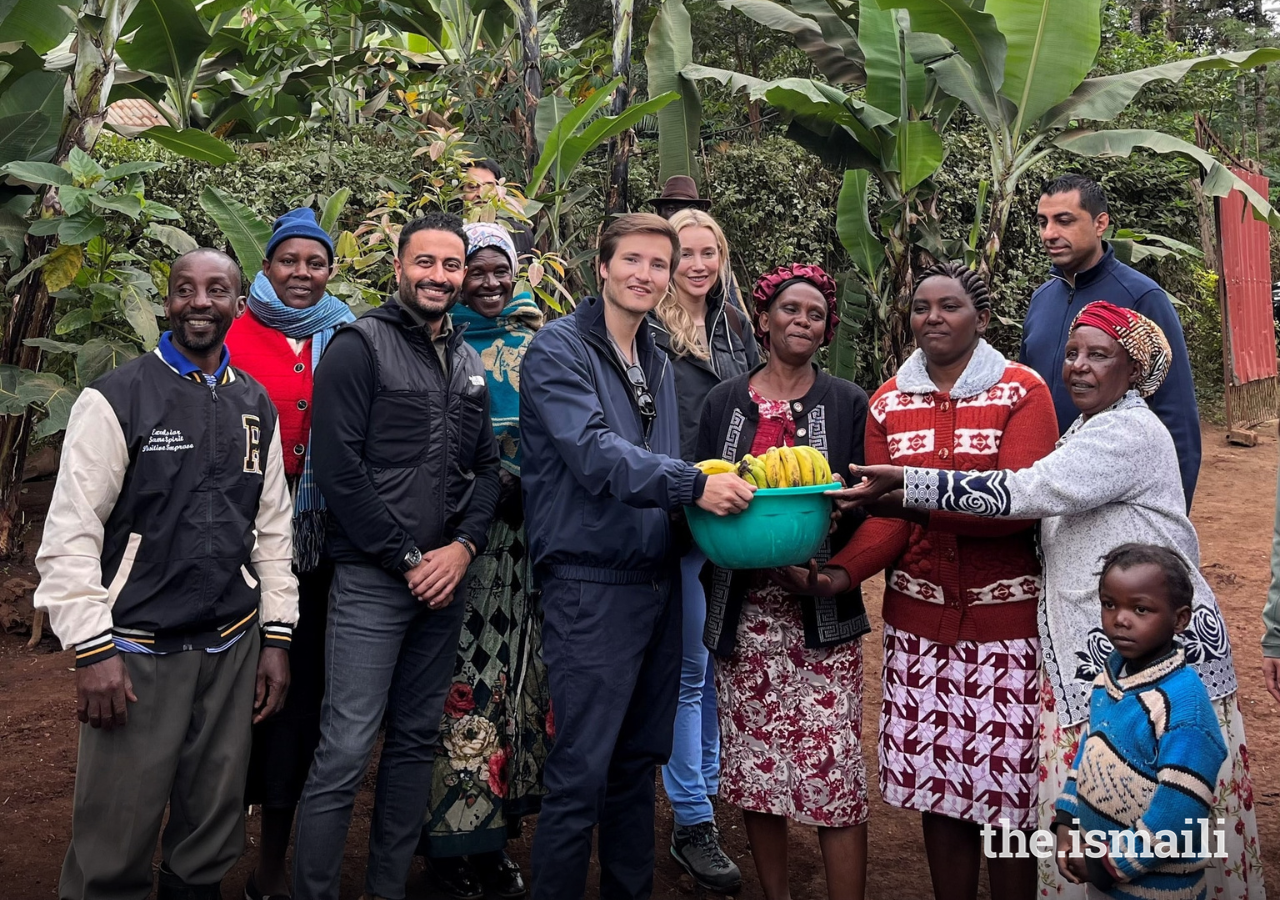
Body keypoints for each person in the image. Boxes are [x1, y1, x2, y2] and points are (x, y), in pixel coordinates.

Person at [840, 301, 1261, 899]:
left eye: (1100, 355)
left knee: (1162, 817)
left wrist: (909, 484)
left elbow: (1027, 490)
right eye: (1072, 353)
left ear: (1133, 369)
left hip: (1158, 666)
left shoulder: (1127, 432)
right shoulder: (1087, 427)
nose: (1079, 367)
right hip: (1115, 657)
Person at [774, 262, 1059, 900]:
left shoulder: (1023, 392)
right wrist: (837, 575)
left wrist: (908, 500)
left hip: (1004, 632)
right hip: (919, 631)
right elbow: (888, 527)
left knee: (1009, 800)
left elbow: (1015, 506)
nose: (933, 318)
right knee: (943, 791)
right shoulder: (887, 401)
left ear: (982, 319)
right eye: (922, 307)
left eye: (950, 306)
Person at [33, 248, 298, 900]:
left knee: (210, 834)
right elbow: (70, 535)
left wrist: (278, 637)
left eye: (216, 290)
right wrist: (93, 648)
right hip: (137, 651)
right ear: (168, 301)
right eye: (184, 289)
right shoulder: (116, 398)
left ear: (240, 304)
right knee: (113, 845)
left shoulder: (253, 404)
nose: (199, 302)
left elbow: (272, 531)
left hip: (232, 647)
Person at [518, 212, 755, 900]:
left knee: (634, 769)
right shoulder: (558, 351)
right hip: (590, 583)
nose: (645, 275)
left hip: (656, 580)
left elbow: (667, 459)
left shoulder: (654, 351)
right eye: (633, 261)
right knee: (581, 771)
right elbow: (593, 453)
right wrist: (694, 485)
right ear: (602, 265)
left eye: (659, 264)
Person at [292, 212, 502, 900]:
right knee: (346, 746)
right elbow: (339, 468)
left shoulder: (467, 362)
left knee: (414, 740)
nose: (439, 277)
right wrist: (410, 557)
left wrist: (462, 549)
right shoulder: (361, 347)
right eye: (427, 263)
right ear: (399, 266)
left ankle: (387, 888)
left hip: (443, 583)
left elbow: (488, 470)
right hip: (373, 579)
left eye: (451, 266)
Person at [699, 263, 871, 900]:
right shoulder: (724, 400)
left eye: (816, 314)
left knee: (835, 770)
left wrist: (827, 567)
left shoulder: (848, 401)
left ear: (826, 330)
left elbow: (864, 499)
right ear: (765, 319)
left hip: (821, 611)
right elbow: (702, 491)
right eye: (790, 310)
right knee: (754, 771)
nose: (802, 321)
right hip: (743, 616)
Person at [417, 222, 551, 900]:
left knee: (519, 689)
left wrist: (528, 481)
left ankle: (494, 841)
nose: (492, 282)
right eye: (478, 269)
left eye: (502, 268)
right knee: (459, 689)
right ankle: (446, 845)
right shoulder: (441, 339)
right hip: (464, 539)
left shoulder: (541, 339)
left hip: (529, 542)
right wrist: (484, 488)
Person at [224, 208, 355, 900]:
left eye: (315, 262)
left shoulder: (347, 332)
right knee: (228, 698)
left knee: (297, 701)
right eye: (289, 261)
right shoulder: (232, 332)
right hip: (237, 544)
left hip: (321, 548)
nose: (302, 274)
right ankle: (201, 849)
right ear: (267, 266)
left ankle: (272, 862)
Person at [646, 208, 756, 892]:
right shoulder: (654, 332)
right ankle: (692, 819)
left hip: (732, 515)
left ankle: (705, 792)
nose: (697, 264)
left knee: (716, 661)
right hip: (680, 515)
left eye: (708, 250)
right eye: (684, 252)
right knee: (688, 669)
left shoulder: (736, 328)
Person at [1054, 544, 1227, 900]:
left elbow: (1179, 810)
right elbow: (1090, 752)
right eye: (1109, 604)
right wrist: (1068, 821)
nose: (1120, 619)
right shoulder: (1109, 679)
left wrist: (1109, 864)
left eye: (1141, 609)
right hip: (1101, 873)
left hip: (1158, 888)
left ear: (1180, 619)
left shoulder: (1184, 706)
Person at [1021, 174, 1201, 508]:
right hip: (1046, 492)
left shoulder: (1141, 297)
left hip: (1117, 498)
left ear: (1100, 222)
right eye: (1043, 222)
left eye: (1064, 220)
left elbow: (1176, 416)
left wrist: (1171, 516)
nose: (1049, 234)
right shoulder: (1042, 299)